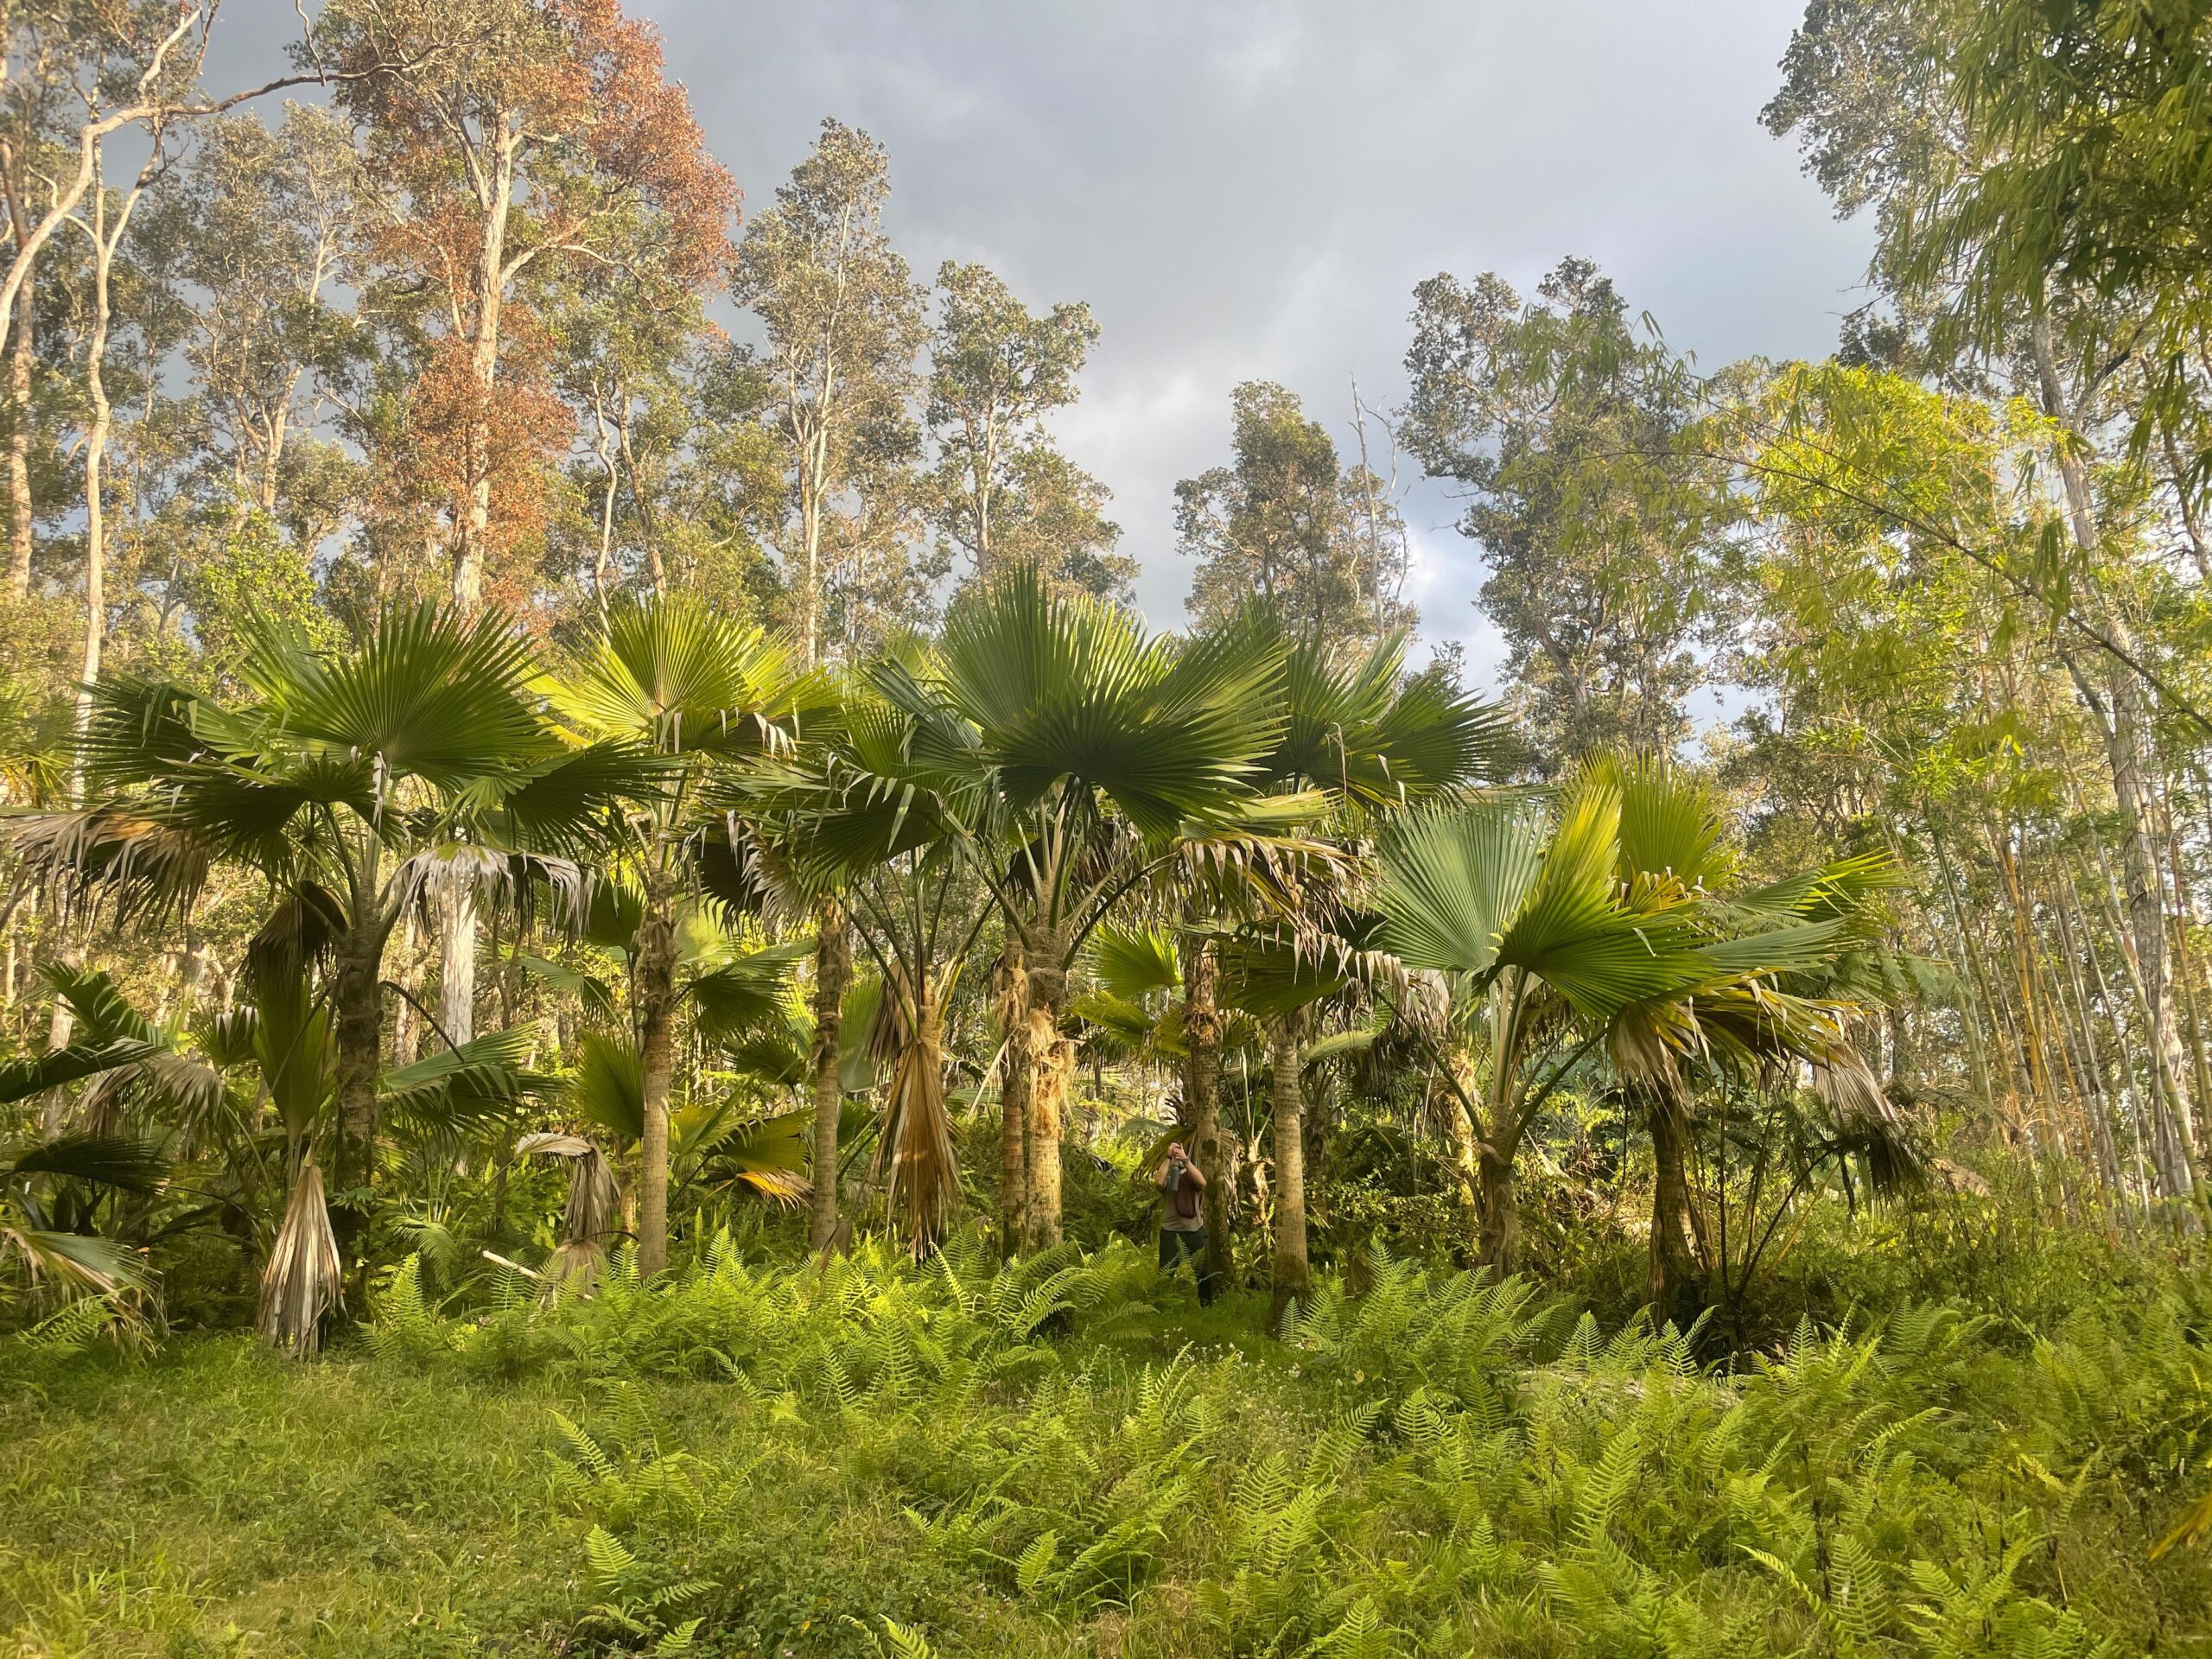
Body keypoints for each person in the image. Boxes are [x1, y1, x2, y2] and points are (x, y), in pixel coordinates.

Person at [1154, 1141, 1215, 1305]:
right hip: (1171, 1232)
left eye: (1179, 1152)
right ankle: (1161, 1307)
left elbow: (1202, 1183)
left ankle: (1207, 1307)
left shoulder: (1191, 1175)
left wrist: (1186, 1161)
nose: (1177, 1156)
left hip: (1195, 1230)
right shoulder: (1166, 1175)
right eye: (1175, 1153)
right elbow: (1158, 1183)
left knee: (1204, 1273)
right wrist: (1168, 1158)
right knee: (1166, 1274)